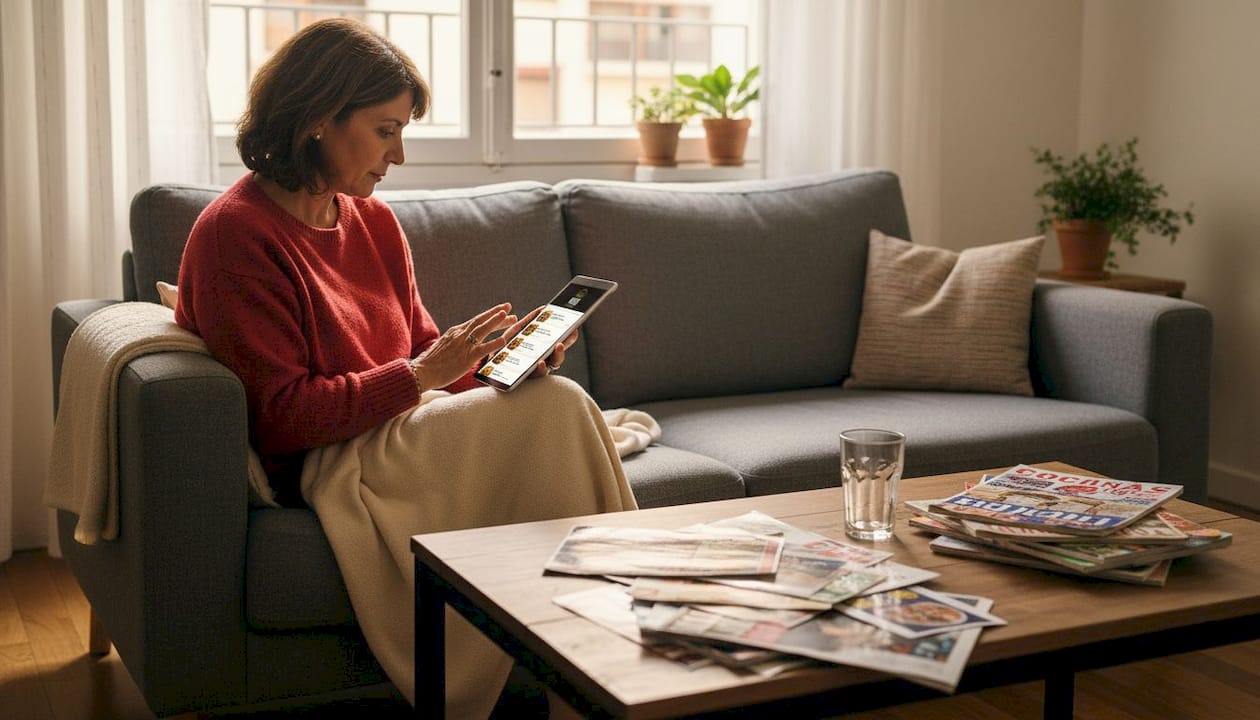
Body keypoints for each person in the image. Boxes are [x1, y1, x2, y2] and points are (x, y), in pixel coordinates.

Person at [174, 17, 636, 719]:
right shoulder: (235, 235)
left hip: (402, 425)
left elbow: (422, 354)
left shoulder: (372, 221)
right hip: (333, 458)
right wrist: (422, 375)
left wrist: (499, 372)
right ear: (321, 120)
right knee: (567, 412)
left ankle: (605, 668)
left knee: (552, 402)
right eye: (386, 130)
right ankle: (613, 672)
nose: (398, 155)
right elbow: (281, 417)